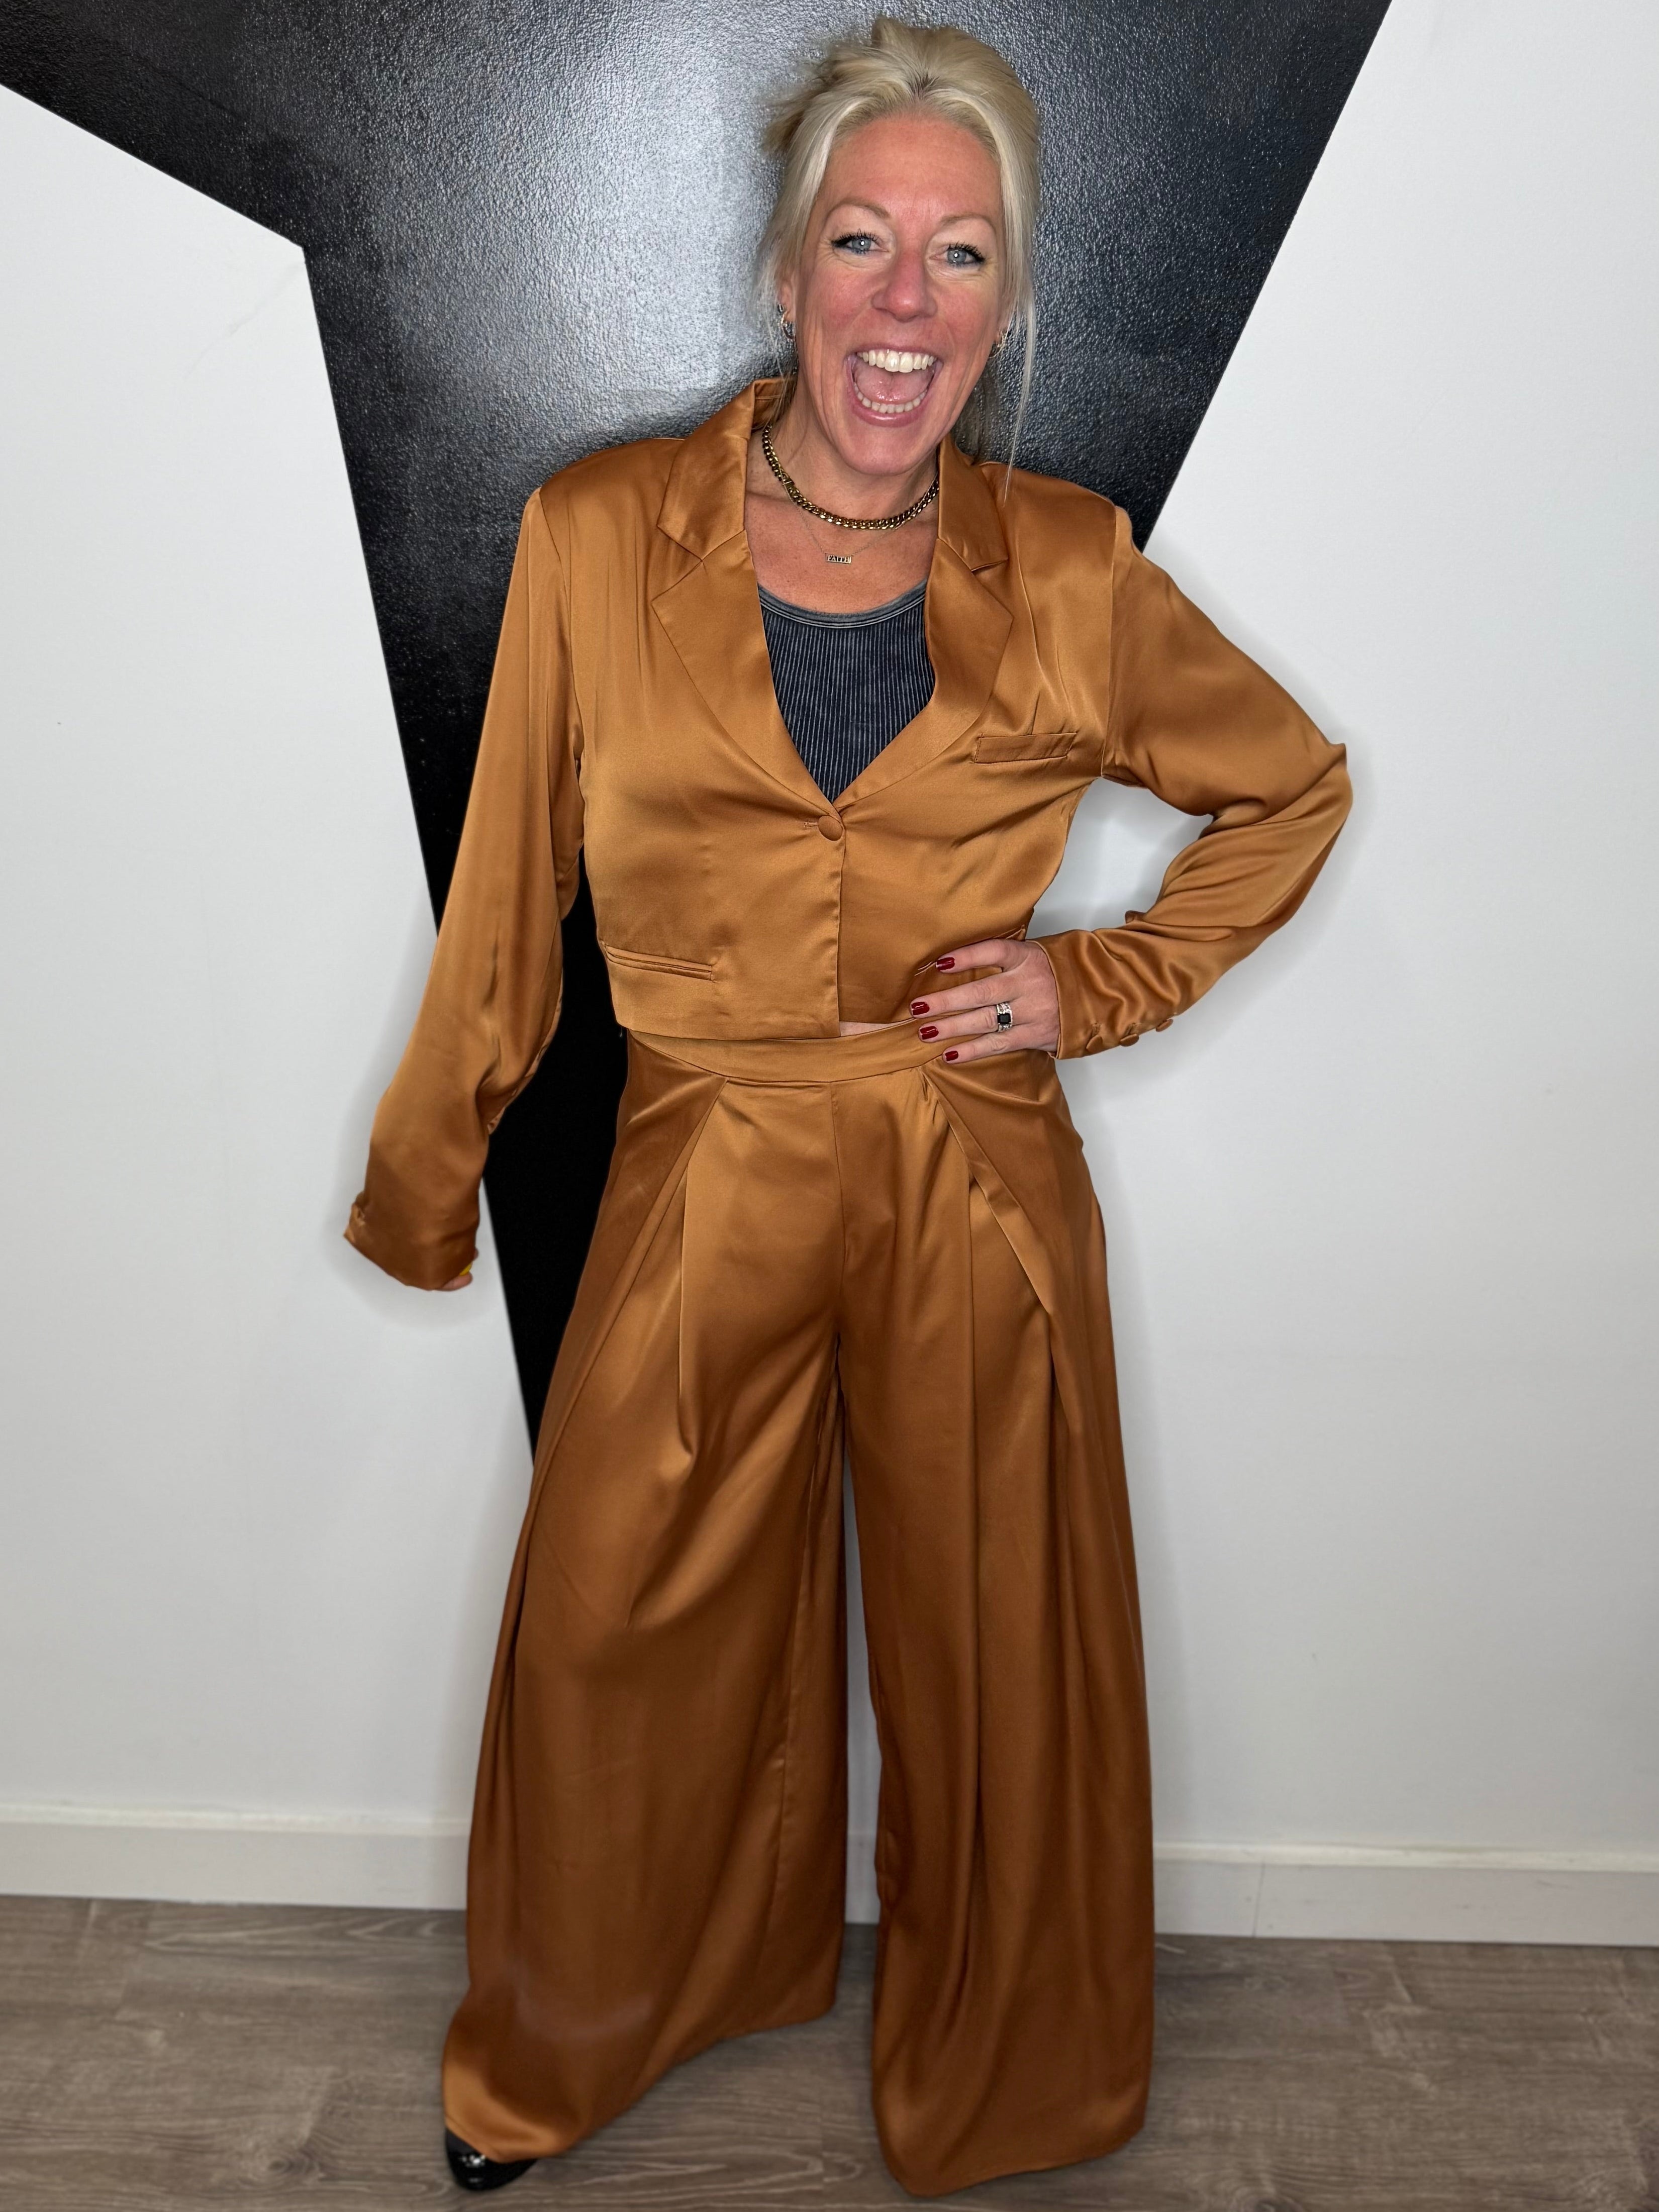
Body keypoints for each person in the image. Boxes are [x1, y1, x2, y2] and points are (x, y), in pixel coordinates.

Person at [345, 17, 1351, 2198]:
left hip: (964, 1174)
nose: (907, 306)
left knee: (996, 1651)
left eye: (962, 255)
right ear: (788, 267)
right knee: (621, 1616)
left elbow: (1292, 785)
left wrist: (1094, 977)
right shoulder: (602, 537)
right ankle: (587, 2034)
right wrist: (426, 1176)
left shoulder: (1068, 568)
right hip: (704, 1161)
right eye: (865, 241)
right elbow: (509, 896)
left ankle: (1008, 2073)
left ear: (1006, 301)